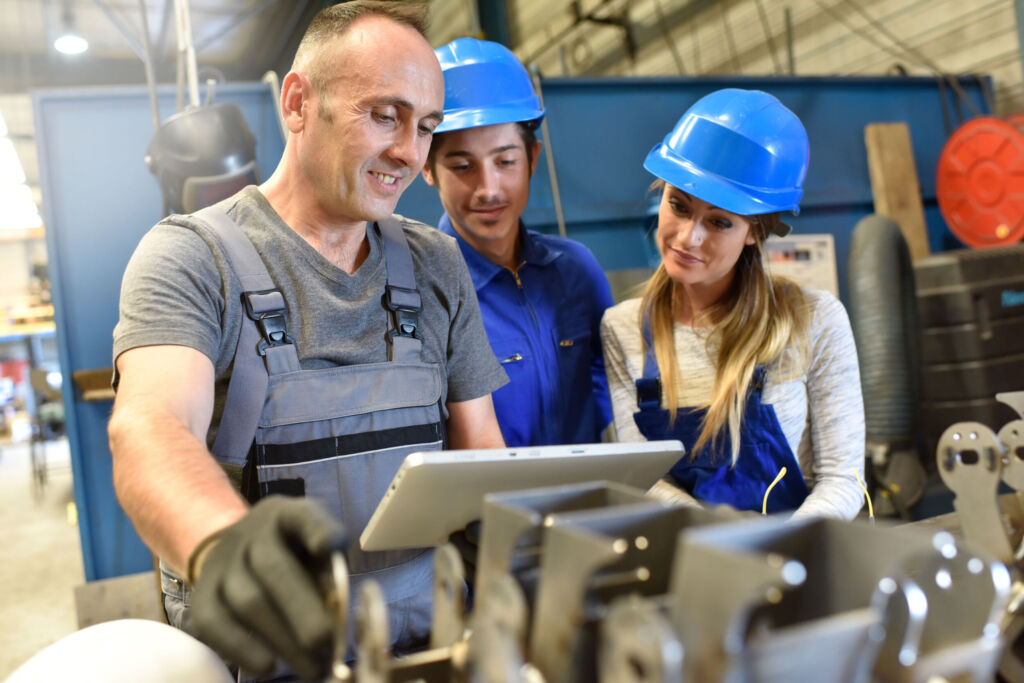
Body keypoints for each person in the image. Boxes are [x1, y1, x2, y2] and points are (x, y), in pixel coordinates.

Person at [108, 2, 508, 680]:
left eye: (425, 126)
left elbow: (482, 451)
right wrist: (221, 543)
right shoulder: (192, 257)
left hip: (429, 647)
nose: (409, 152)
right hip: (265, 656)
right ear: (298, 103)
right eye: (384, 115)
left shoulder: (437, 263)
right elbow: (151, 425)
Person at [600, 88, 865, 520]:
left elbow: (843, 478)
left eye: (719, 221)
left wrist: (785, 547)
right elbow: (644, 478)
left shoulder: (814, 320)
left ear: (755, 232)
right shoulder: (623, 329)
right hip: (688, 549)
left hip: (800, 550)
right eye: (678, 206)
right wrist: (715, 545)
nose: (689, 237)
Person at [421, 38, 614, 447]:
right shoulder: (422, 294)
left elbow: (610, 379)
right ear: (427, 168)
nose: (488, 189)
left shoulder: (576, 271)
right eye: (462, 166)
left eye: (506, 161)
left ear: (533, 158)